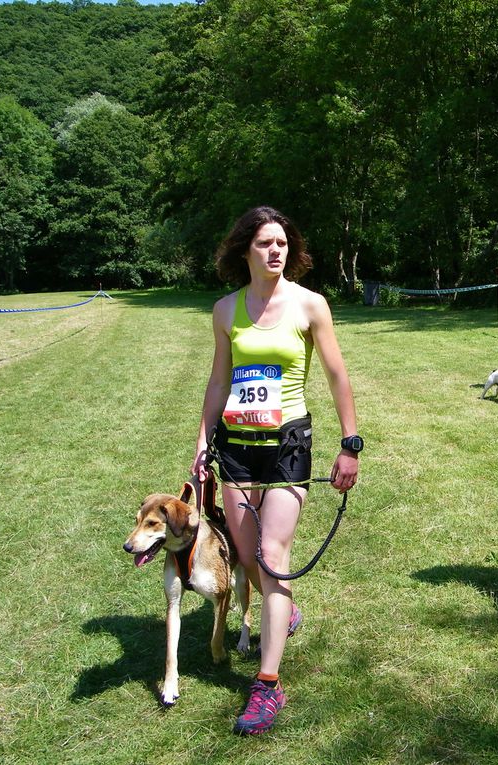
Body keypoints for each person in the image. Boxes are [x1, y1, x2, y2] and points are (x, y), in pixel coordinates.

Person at [191, 206, 361, 735]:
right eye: (265, 243)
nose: (275, 251)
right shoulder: (225, 310)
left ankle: (267, 685)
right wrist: (200, 447)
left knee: (272, 555)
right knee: (248, 556)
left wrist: (350, 443)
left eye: (282, 243)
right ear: (245, 249)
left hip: (288, 444)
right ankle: (281, 611)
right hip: (237, 449)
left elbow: (336, 375)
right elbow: (220, 382)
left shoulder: (310, 305)